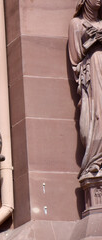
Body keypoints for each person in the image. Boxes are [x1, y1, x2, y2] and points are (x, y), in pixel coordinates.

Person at [69, 0, 102, 179]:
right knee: (97, 116)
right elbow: (76, 58)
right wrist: (93, 41)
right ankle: (94, 161)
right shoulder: (76, 24)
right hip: (92, 76)